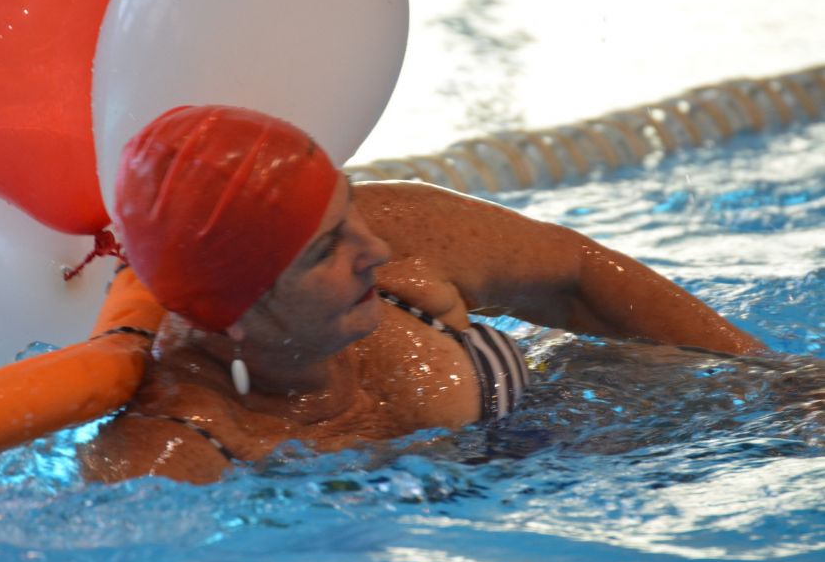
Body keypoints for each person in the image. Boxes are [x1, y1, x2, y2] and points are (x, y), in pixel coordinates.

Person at [80, 105, 764, 484]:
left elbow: (574, 273)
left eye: (347, 207)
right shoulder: (179, 452)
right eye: (325, 248)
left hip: (639, 433)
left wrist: (770, 379)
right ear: (232, 314)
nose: (373, 249)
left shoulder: (398, 227)